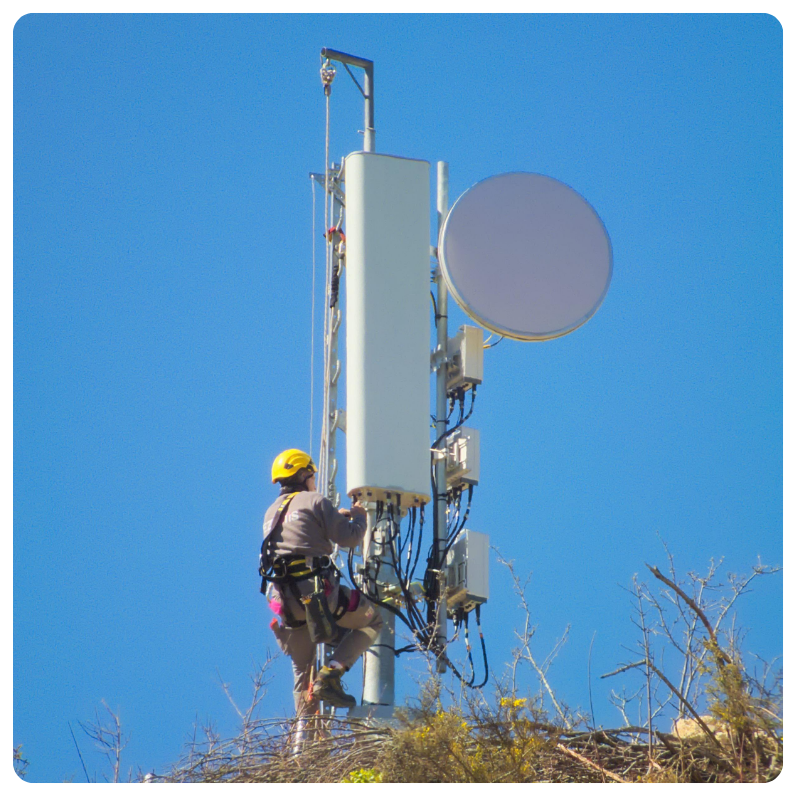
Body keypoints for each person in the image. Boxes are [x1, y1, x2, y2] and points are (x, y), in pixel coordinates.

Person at [261, 448, 383, 713]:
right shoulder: (315, 500)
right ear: (304, 475)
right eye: (312, 475)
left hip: (286, 603)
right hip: (318, 596)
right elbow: (350, 538)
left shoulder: (271, 513)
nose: (314, 481)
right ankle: (331, 674)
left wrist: (331, 517)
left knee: (302, 673)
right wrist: (360, 517)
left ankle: (302, 744)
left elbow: (298, 537)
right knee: (374, 620)